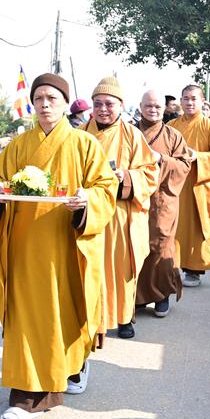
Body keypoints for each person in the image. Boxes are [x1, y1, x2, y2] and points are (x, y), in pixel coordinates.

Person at [0, 73, 117, 419]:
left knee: (61, 315)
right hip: (24, 248)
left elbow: (106, 188)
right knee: (27, 317)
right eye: (39, 98)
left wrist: (86, 200)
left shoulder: (84, 145)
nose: (44, 104)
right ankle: (26, 396)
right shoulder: (18, 145)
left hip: (64, 248)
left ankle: (65, 372)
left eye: (52, 99)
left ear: (63, 104)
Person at [83, 77, 159, 338]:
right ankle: (92, 320)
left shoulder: (132, 134)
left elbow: (150, 172)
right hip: (88, 213)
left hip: (119, 213)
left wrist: (126, 176)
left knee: (121, 270)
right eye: (98, 104)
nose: (103, 109)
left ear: (121, 106)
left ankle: (124, 317)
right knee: (89, 268)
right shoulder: (80, 134)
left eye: (109, 104)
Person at [135, 90, 191, 318]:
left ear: (164, 108)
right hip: (135, 198)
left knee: (161, 246)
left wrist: (162, 160)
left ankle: (161, 296)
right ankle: (137, 296)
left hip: (162, 198)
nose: (153, 110)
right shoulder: (129, 132)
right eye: (149, 106)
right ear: (140, 106)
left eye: (158, 106)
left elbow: (184, 165)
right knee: (135, 247)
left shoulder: (173, 135)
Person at [168, 85, 210, 287]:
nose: (189, 102)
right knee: (172, 226)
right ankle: (172, 265)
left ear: (202, 101)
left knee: (196, 227)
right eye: (185, 98)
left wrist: (198, 157)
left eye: (194, 99)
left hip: (198, 186)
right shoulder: (171, 125)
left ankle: (194, 270)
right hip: (175, 185)